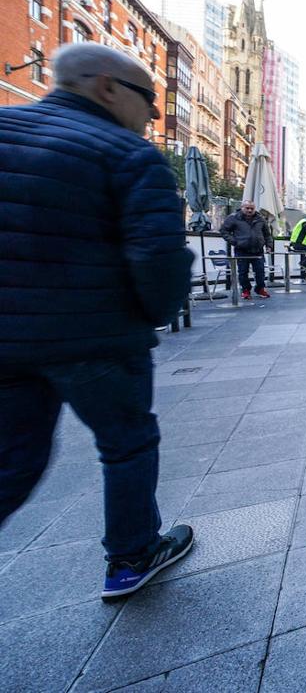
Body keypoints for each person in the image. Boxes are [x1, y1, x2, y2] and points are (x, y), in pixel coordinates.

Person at [0, 42, 195, 598]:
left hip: (5, 341)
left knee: (11, 461)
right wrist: (156, 315)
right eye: (148, 103)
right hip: (98, 341)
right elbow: (158, 256)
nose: (152, 116)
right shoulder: (126, 154)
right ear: (108, 88)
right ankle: (132, 558)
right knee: (127, 443)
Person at [220, 201, 273, 300]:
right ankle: (246, 290)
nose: (249, 210)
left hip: (258, 250)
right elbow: (223, 231)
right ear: (242, 207)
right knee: (243, 272)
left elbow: (267, 234)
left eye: (252, 208)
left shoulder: (260, 219)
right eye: (247, 208)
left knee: (260, 271)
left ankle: (260, 288)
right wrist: (235, 242)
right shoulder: (233, 218)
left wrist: (269, 245)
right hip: (242, 250)